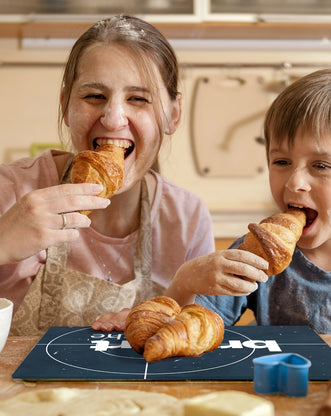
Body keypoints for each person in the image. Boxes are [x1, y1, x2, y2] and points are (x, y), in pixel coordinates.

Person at [102, 68, 331, 341]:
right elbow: (191, 329)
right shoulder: (256, 254)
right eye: (282, 161)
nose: (294, 182)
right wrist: (180, 288)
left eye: (320, 166)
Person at [0, 15, 217, 336]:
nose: (114, 118)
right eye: (94, 96)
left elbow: (201, 334)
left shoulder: (186, 218)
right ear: (65, 105)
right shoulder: (12, 191)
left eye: (139, 99)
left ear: (173, 114)